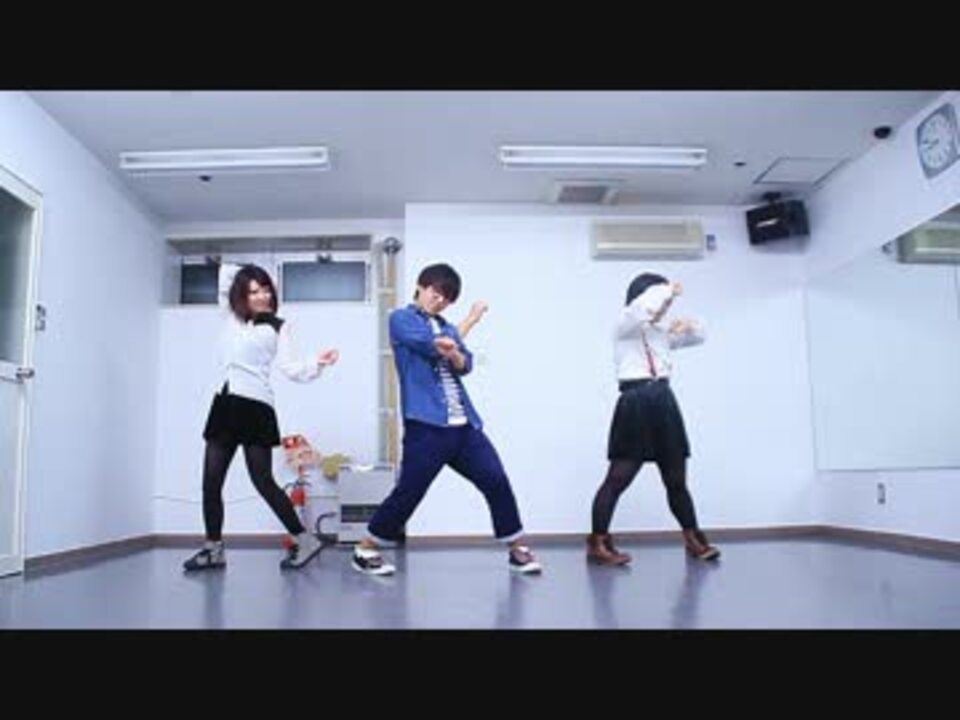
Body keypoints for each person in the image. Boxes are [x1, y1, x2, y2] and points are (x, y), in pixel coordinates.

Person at [351, 263, 542, 576]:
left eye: (446, 299)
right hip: (426, 427)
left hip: (464, 426)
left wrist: (456, 350)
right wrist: (460, 333)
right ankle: (366, 548)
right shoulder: (401, 319)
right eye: (435, 294)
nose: (439, 302)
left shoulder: (446, 327)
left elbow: (465, 364)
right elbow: (428, 345)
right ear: (421, 287)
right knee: (409, 492)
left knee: (495, 479)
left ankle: (516, 547)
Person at [183, 262, 339, 572]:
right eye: (253, 291)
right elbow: (226, 275)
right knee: (210, 483)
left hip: (256, 407)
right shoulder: (230, 318)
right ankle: (213, 549)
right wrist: (247, 274)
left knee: (263, 481)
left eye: (266, 289)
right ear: (241, 295)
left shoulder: (280, 326)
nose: (262, 296)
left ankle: (305, 540)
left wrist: (317, 362)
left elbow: (291, 368)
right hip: (224, 405)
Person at [587, 273, 720, 565]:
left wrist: (689, 324)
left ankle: (693, 539)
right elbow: (643, 307)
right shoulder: (625, 324)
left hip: (663, 401)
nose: (665, 307)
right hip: (635, 401)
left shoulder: (660, 331)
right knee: (617, 479)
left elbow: (700, 336)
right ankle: (598, 543)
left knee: (676, 480)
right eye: (662, 301)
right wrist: (667, 290)